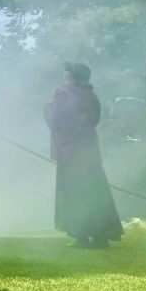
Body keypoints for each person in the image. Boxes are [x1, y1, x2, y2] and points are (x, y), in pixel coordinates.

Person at [44, 62, 122, 248]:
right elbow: (92, 121)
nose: (65, 80)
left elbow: (56, 121)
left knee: (76, 195)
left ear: (73, 78)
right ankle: (100, 237)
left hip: (71, 155)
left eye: (67, 76)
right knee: (95, 193)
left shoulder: (64, 96)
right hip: (89, 154)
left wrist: (50, 104)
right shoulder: (91, 96)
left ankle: (82, 237)